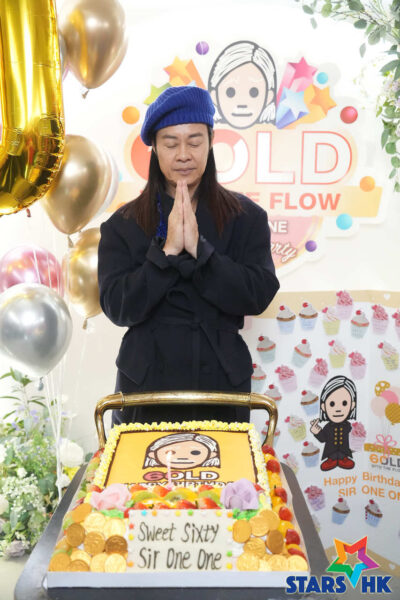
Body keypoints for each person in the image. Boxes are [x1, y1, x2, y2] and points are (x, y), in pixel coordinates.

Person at [97, 85, 279, 425]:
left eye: (194, 142)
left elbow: (258, 295)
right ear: (154, 149)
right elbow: (118, 308)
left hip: (221, 385)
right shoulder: (123, 224)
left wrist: (201, 252)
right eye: (171, 144)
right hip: (146, 386)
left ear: (211, 142)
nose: (183, 155)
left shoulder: (247, 217)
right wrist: (165, 253)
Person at [208, 41, 277, 129]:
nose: (242, 103)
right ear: (214, 96)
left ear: (268, 97)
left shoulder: (274, 131)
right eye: (230, 92)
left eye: (254, 92)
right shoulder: (206, 129)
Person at [310, 375, 357, 471]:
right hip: (330, 453)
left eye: (344, 403)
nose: (338, 409)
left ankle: (343, 458)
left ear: (352, 405)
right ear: (323, 407)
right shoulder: (328, 427)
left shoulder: (348, 426)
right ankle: (332, 460)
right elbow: (323, 439)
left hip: (344, 452)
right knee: (332, 456)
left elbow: (352, 438)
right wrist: (317, 431)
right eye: (332, 404)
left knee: (344, 455)